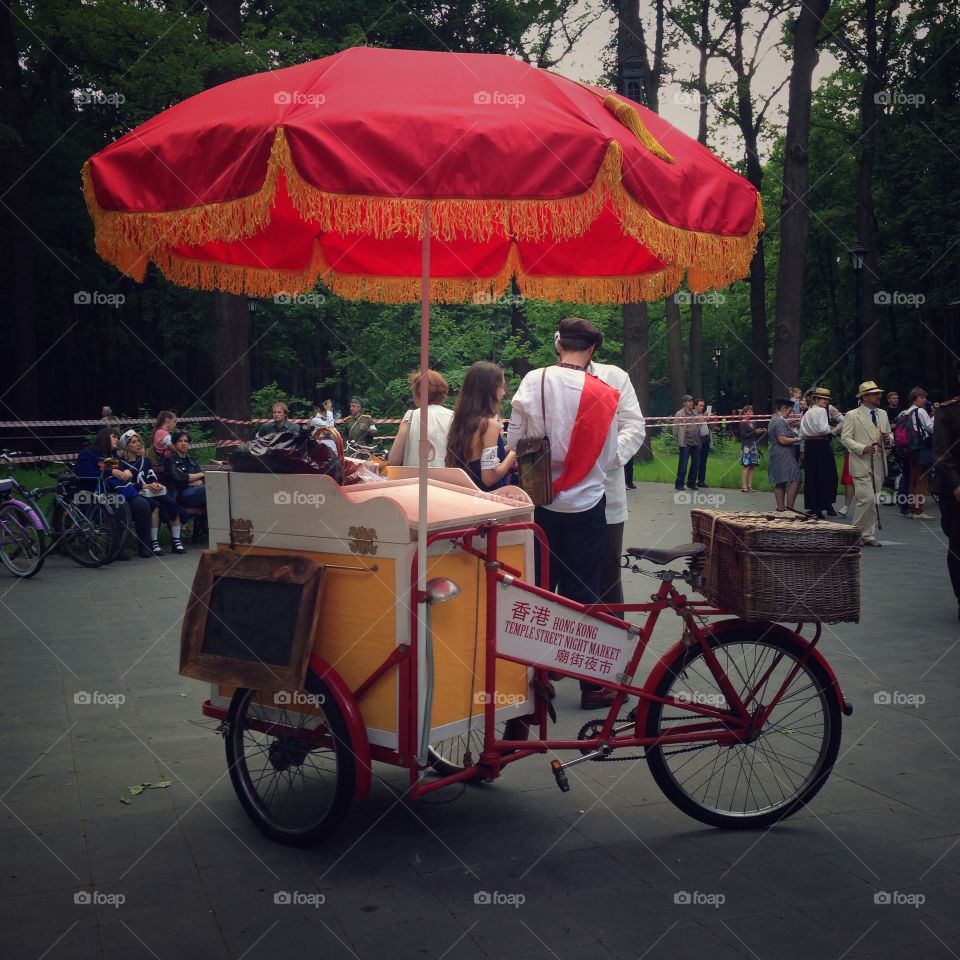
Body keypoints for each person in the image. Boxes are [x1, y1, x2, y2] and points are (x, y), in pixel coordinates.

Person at [508, 317, 620, 711]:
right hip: (587, 504)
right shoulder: (605, 394)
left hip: (539, 503)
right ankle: (592, 686)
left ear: (558, 345)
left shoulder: (533, 380)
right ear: (592, 350)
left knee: (538, 589)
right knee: (584, 591)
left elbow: (514, 441)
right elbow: (609, 458)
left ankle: (537, 678)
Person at [586, 350, 645, 609]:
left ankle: (615, 646)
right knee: (566, 582)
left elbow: (633, 425)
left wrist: (607, 457)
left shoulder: (614, 376)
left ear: (590, 349)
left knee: (607, 577)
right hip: (557, 501)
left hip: (606, 496)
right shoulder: (548, 380)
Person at [74, 427, 146, 559]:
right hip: (91, 493)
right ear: (104, 437)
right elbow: (83, 474)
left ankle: (145, 546)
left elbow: (124, 470)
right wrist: (109, 472)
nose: (117, 440)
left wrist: (127, 473)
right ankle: (115, 548)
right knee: (119, 504)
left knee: (142, 505)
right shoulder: (88, 454)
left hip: (114, 491)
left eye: (118, 438)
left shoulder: (112, 456)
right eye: (114, 437)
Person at [445, 362, 517, 490]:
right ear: (491, 390)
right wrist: (515, 453)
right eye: (502, 386)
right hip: (488, 497)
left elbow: (477, 459)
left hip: (466, 493)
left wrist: (508, 448)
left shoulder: (461, 421)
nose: (504, 392)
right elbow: (489, 477)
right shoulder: (489, 425)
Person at [118, 429, 190, 555]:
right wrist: (143, 486)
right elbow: (124, 484)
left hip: (151, 491)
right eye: (134, 442)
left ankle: (177, 541)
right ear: (126, 446)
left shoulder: (145, 461)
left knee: (170, 501)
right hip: (136, 493)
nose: (138, 444)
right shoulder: (121, 464)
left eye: (139, 441)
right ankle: (154, 543)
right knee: (154, 505)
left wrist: (155, 483)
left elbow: (151, 476)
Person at [840, 381, 891, 548]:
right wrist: (862, 448)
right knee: (866, 499)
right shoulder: (852, 415)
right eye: (875, 394)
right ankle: (855, 534)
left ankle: (868, 535)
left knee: (873, 500)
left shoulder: (882, 414)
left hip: (879, 462)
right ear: (865, 397)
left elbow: (890, 433)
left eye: (879, 393)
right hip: (861, 463)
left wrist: (888, 439)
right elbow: (845, 438)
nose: (879, 396)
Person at [930, 364, 960, 619]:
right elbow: (941, 453)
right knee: (958, 544)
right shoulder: (948, 412)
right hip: (955, 489)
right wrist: (956, 483)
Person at [388, 370, 454, 468]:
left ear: (417, 394)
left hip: (416, 480)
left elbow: (394, 460)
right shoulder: (454, 417)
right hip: (448, 481)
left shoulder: (411, 416)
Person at [800, 386, 840, 519]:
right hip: (821, 444)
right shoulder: (821, 411)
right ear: (816, 398)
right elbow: (823, 429)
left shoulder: (807, 412)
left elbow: (802, 432)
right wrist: (832, 430)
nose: (825, 401)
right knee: (827, 475)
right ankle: (824, 504)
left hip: (809, 445)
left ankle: (814, 506)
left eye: (827, 399)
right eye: (823, 399)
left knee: (812, 475)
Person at [899, 386, 934, 519]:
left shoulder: (904, 412)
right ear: (915, 399)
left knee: (913, 479)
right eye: (922, 397)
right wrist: (935, 416)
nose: (925, 400)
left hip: (909, 449)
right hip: (921, 447)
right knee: (922, 480)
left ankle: (911, 508)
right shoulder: (921, 411)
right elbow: (930, 428)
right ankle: (918, 510)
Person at [767, 399, 802, 511]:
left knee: (780, 481)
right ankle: (790, 508)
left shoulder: (774, 419)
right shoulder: (779, 421)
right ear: (783, 409)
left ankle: (781, 509)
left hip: (776, 452)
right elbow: (782, 440)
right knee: (796, 478)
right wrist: (798, 439)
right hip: (783, 453)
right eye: (789, 411)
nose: (790, 414)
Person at [168, 431, 207, 511]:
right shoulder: (171, 460)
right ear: (174, 444)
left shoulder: (192, 460)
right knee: (209, 490)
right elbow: (180, 477)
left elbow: (202, 480)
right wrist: (200, 474)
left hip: (196, 492)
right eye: (180, 441)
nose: (183, 444)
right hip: (181, 495)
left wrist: (192, 479)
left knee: (214, 490)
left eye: (185, 441)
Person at [672, 394, 700, 491]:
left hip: (696, 442)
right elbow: (675, 430)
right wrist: (679, 439)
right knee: (683, 465)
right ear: (685, 403)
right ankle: (679, 484)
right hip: (685, 443)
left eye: (692, 401)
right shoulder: (679, 414)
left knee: (695, 464)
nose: (691, 403)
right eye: (689, 401)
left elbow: (698, 426)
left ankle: (691, 483)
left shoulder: (695, 413)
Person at [735, 405, 766, 492]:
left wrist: (759, 431)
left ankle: (749, 485)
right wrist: (754, 432)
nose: (751, 413)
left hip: (753, 446)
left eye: (752, 412)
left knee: (752, 465)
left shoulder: (753, 423)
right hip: (746, 446)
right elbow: (743, 435)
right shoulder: (742, 423)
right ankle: (744, 485)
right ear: (745, 413)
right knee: (746, 465)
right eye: (749, 412)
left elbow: (754, 434)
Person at [694, 399, 712, 487]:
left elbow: (708, 426)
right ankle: (692, 480)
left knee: (703, 462)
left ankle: (701, 481)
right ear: (695, 406)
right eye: (700, 405)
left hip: (706, 438)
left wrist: (709, 420)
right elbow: (695, 426)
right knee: (697, 461)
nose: (702, 407)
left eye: (703, 406)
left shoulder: (703, 414)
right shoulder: (693, 415)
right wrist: (704, 418)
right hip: (698, 439)